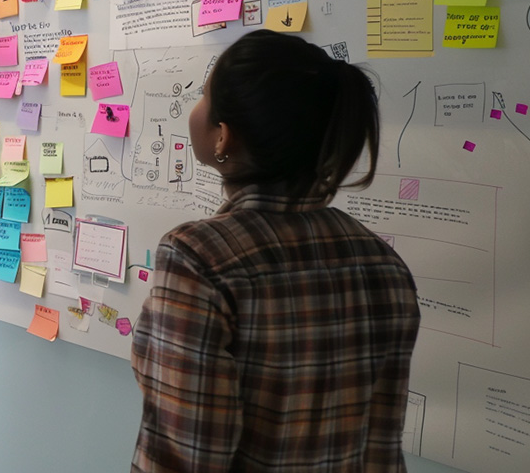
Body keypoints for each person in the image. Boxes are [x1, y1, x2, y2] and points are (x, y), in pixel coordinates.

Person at [131, 30, 421, 472]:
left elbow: (182, 458)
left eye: (204, 96)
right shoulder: (384, 263)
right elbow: (381, 447)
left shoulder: (196, 259)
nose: (196, 107)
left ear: (223, 137)